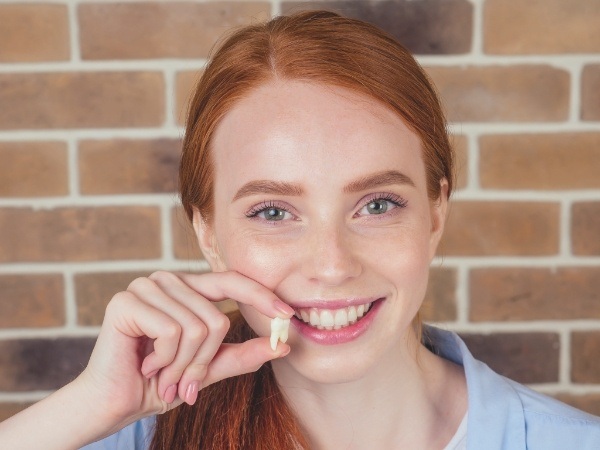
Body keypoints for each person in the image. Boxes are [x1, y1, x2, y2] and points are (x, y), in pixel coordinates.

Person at [1, 10, 599, 450]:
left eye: (378, 204)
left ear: (436, 213)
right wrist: (90, 407)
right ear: (207, 232)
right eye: (273, 212)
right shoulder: (129, 435)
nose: (332, 264)